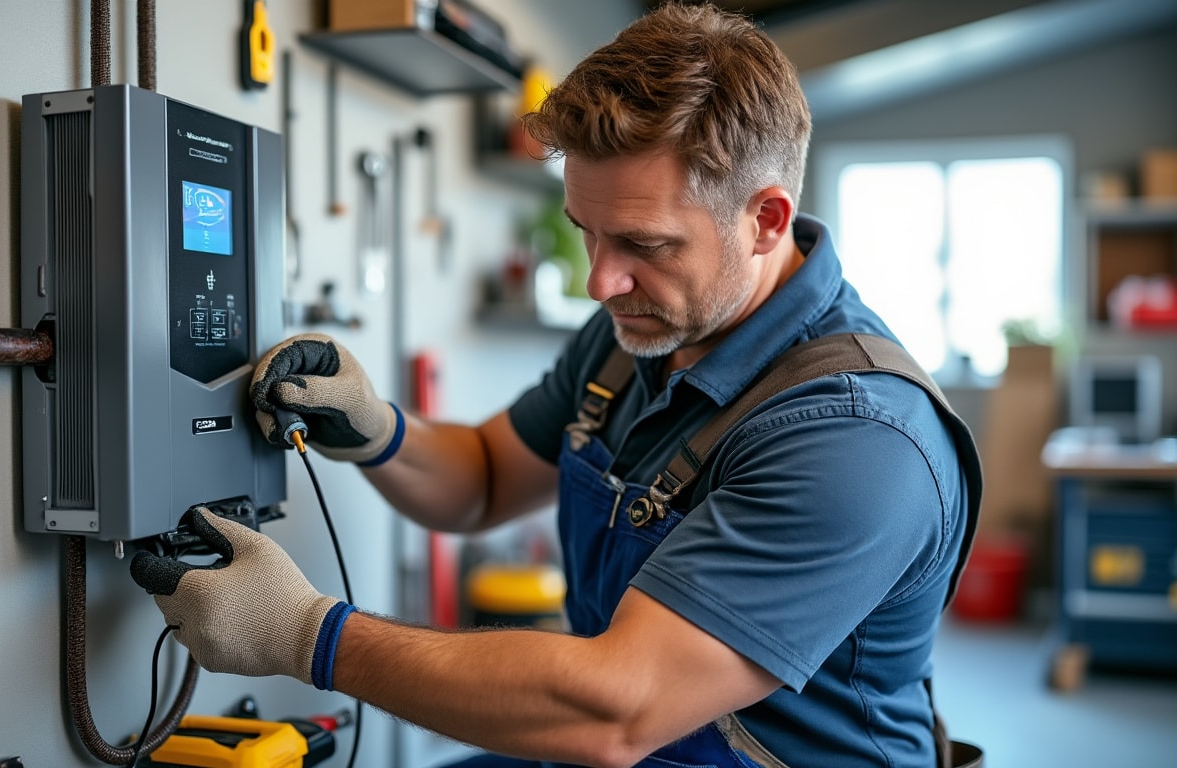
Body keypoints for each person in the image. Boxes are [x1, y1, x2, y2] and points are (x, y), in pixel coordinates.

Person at [130, 4, 982, 767]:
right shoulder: (639, 332)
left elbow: (618, 709)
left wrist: (305, 636)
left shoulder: (859, 439)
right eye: (586, 233)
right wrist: (375, 428)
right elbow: (485, 480)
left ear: (764, 220)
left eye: (644, 245)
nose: (599, 282)